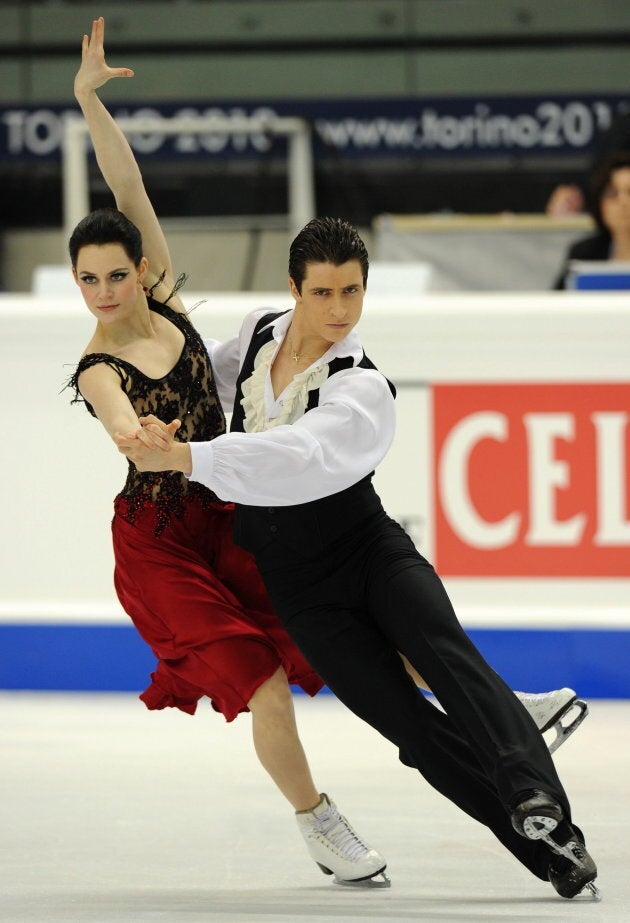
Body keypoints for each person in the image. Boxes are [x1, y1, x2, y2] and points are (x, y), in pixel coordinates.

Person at [118, 216, 600, 902]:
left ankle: (537, 800)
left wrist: (191, 458)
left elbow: (299, 456)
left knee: (446, 654)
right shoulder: (259, 331)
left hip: (369, 552)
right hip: (298, 587)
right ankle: (553, 853)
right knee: (412, 730)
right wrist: (152, 416)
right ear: (294, 289)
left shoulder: (361, 385)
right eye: (323, 292)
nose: (339, 310)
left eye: (352, 291)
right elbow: (204, 385)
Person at [66, 17, 390, 888]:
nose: (104, 291)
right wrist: (146, 441)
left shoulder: (165, 299)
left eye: (115, 273)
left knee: (346, 620)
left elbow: (125, 181)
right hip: (158, 544)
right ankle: (320, 822)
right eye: (87, 279)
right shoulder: (98, 364)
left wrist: (88, 102)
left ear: (141, 268)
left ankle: (494, 704)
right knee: (265, 683)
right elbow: (119, 427)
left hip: (228, 515)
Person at [554, 151, 630, 288]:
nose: (623, 202)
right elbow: (556, 305)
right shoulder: (584, 254)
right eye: (612, 194)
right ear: (600, 204)